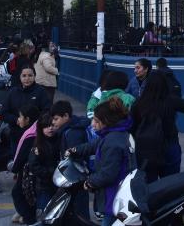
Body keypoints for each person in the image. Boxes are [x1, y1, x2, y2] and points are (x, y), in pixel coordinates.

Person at [69, 96, 134, 226]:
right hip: (119, 192)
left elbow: (108, 174)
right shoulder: (115, 134)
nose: (92, 124)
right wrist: (75, 150)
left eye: (96, 120)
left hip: (115, 194)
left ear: (107, 121)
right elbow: (94, 145)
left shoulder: (113, 142)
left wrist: (89, 182)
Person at [131, 70, 184, 181]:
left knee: (149, 184)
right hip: (169, 145)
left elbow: (132, 126)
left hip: (146, 148)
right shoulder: (170, 101)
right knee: (170, 183)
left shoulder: (138, 103)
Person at [12, 112, 58, 226]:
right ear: (41, 129)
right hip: (43, 185)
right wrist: (50, 172)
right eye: (47, 126)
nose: (50, 128)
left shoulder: (59, 140)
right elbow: (34, 165)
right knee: (43, 213)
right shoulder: (37, 145)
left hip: (56, 184)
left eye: (52, 125)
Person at [49, 101, 91, 220]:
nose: (53, 122)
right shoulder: (69, 129)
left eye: (56, 119)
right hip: (75, 179)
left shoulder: (73, 133)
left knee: (79, 213)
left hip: (76, 179)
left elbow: (76, 159)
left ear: (66, 116)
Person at [9, 104, 42, 226]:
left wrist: (14, 169)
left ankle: (29, 219)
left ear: (27, 119)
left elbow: (22, 157)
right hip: (30, 171)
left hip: (28, 172)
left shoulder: (30, 135)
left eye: (20, 117)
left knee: (19, 193)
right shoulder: (33, 130)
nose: (18, 119)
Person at [4, 66, 51, 134]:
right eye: (24, 76)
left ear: (34, 76)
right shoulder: (13, 92)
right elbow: (4, 113)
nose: (27, 78)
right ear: (20, 77)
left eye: (30, 75)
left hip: (35, 133)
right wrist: (16, 120)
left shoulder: (41, 91)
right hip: (15, 132)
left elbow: (47, 110)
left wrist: (33, 122)